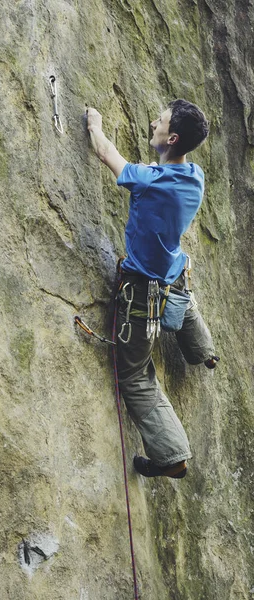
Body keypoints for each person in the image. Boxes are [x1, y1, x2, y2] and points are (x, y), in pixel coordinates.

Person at [86, 99, 219, 479]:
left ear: (171, 137)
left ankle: (171, 456)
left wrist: (95, 122)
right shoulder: (194, 175)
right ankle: (203, 352)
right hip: (172, 274)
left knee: (133, 376)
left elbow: (105, 152)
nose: (152, 123)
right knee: (180, 290)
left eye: (159, 122)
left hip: (142, 290)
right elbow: (155, 175)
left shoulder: (148, 180)